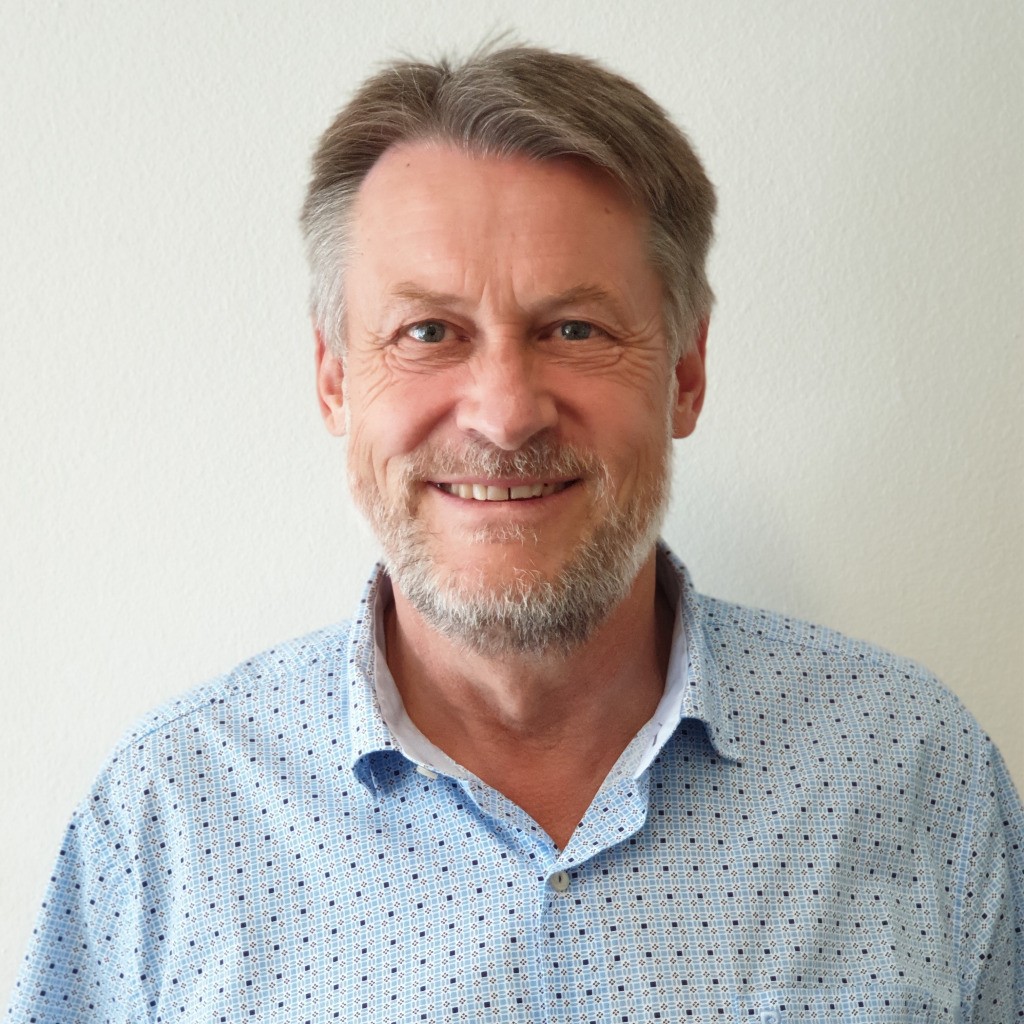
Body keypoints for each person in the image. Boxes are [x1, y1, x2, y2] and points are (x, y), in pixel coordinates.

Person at [7, 44, 1022, 1023]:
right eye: (428, 332)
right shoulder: (167, 822)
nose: (503, 416)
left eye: (574, 329)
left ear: (686, 371)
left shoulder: (916, 773)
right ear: (334, 379)